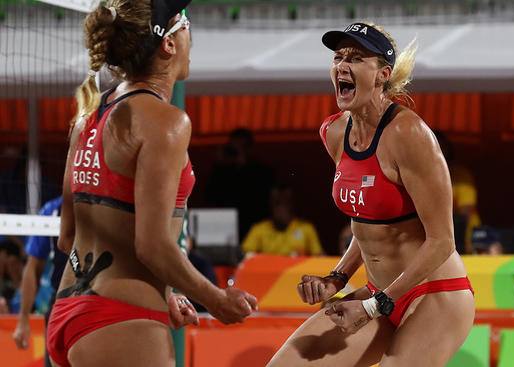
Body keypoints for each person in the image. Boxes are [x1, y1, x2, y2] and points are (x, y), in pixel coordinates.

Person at [47, 1, 257, 366]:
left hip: (69, 311)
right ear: (169, 44)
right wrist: (215, 299)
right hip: (120, 318)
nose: (193, 33)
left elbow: (68, 236)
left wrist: (166, 290)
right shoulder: (166, 121)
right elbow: (152, 245)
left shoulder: (89, 117)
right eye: (186, 24)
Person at [267, 22, 474, 367]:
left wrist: (373, 306)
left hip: (435, 294)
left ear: (382, 75)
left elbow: (442, 241)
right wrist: (337, 278)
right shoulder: (334, 132)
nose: (342, 65)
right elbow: (366, 224)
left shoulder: (408, 133)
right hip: (377, 295)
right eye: (338, 57)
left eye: (357, 57)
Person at [13, 196, 67, 366]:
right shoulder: (52, 210)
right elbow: (32, 268)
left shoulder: (100, 203)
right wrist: (23, 321)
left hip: (95, 299)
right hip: (61, 301)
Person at [206, 128, 275, 241]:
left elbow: (262, 196)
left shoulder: (261, 170)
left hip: (253, 224)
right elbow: (210, 195)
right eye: (233, 148)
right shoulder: (222, 171)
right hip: (225, 225)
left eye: (242, 147)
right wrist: (219, 165)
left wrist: (244, 166)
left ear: (249, 148)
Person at [241, 184, 323, 256]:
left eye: (284, 202)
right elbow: (245, 255)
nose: (281, 208)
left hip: (298, 273)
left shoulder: (306, 228)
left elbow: (319, 256)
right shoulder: (259, 229)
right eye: (277, 203)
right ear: (270, 204)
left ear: (291, 204)